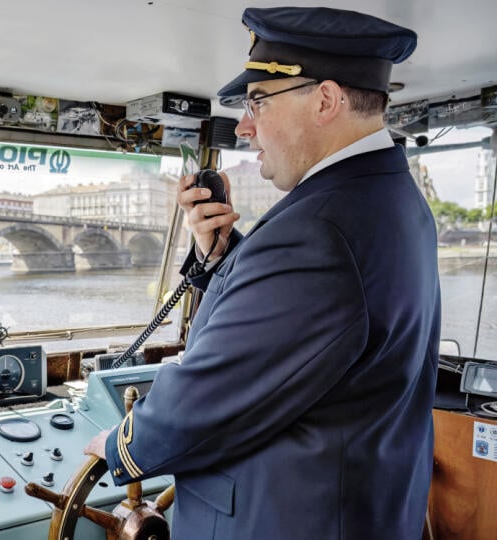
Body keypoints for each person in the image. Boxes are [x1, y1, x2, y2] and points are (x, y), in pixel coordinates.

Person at [85, 6, 440, 539]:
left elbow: (211, 399)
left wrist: (120, 445)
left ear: (325, 100)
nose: (244, 127)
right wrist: (222, 255)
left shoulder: (319, 228)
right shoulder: (389, 198)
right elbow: (315, 327)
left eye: (257, 102)